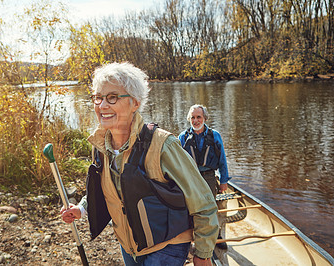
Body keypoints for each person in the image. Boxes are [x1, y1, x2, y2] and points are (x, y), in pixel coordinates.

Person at [60, 62, 219, 266]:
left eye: (112, 97)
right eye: (98, 98)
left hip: (168, 245)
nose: (102, 106)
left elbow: (204, 203)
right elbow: (108, 190)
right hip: (129, 245)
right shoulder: (100, 146)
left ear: (135, 103)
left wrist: (203, 254)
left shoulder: (163, 145)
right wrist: (81, 209)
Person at [178, 104, 230, 249]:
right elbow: (177, 163)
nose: (195, 121)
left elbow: (222, 161)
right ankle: (196, 238)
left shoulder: (215, 135)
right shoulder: (182, 137)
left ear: (205, 118)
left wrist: (224, 180)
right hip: (191, 178)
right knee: (192, 208)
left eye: (198, 117)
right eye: (192, 118)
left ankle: (216, 235)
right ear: (189, 119)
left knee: (211, 208)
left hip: (209, 177)